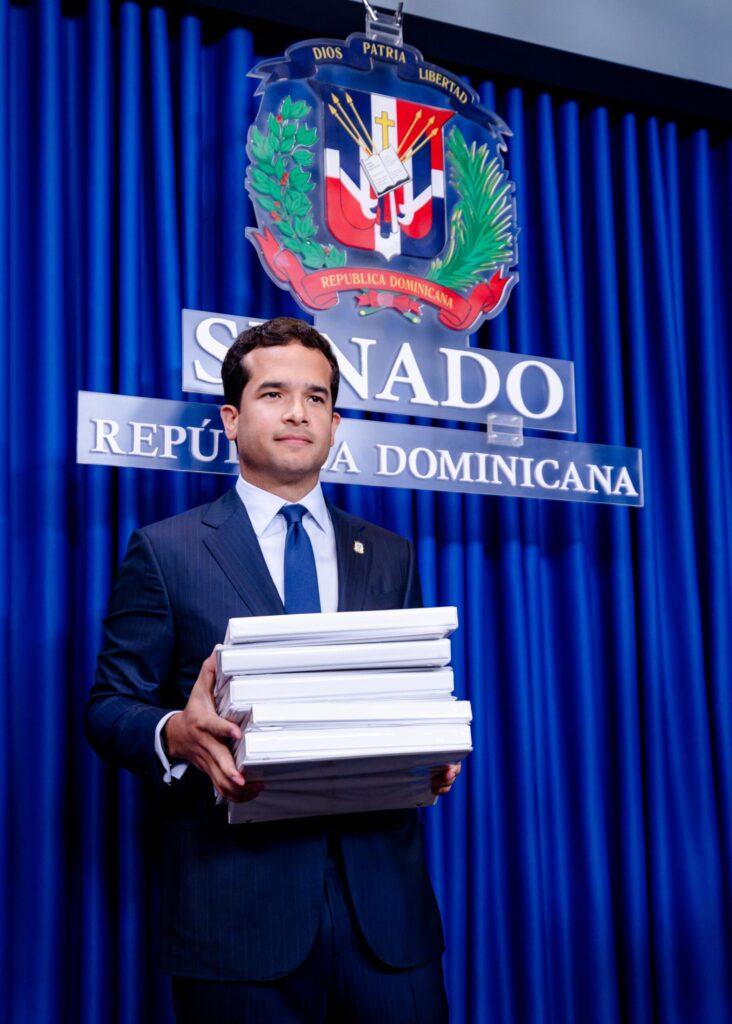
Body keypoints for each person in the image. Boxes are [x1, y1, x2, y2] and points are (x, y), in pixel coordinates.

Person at [85, 316, 460, 1023]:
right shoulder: (167, 551)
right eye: (274, 394)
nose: (297, 412)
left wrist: (431, 753)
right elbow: (109, 706)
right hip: (237, 924)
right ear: (231, 419)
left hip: (389, 925)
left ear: (335, 423)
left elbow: (412, 694)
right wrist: (176, 732)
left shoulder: (391, 553)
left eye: (316, 398)